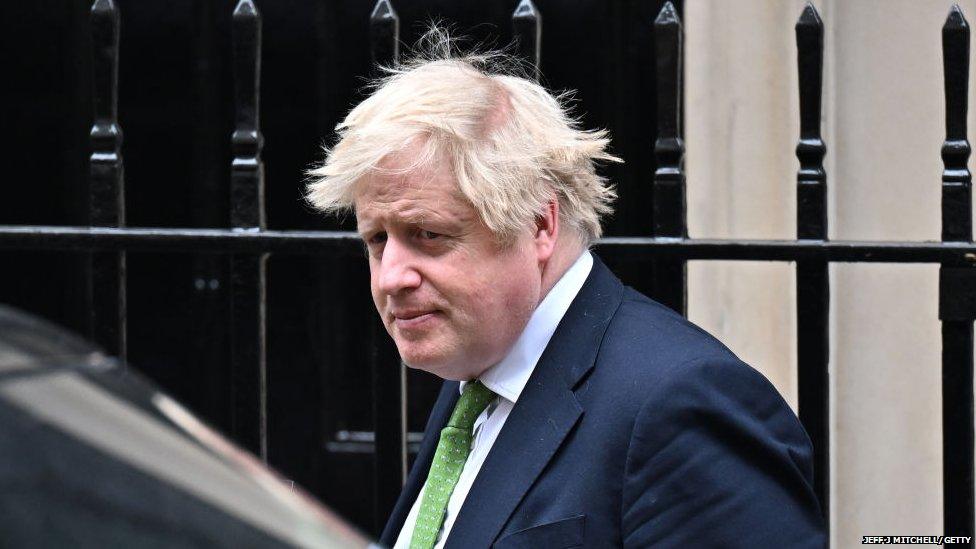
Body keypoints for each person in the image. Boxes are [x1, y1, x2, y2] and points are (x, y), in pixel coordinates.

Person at [307, 34, 825, 549]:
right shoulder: (479, 372)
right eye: (377, 239)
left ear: (539, 224)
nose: (391, 276)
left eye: (430, 235)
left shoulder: (679, 405)